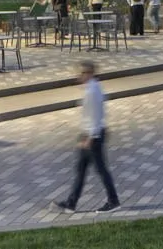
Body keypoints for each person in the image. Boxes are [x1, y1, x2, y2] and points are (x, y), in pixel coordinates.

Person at [54, 61, 119, 213]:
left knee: (101, 170)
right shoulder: (93, 88)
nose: (79, 76)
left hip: (92, 136)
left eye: (82, 73)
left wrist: (91, 137)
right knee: (81, 170)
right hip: (89, 134)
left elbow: (95, 116)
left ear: (89, 73)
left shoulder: (92, 91)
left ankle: (113, 201)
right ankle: (71, 203)